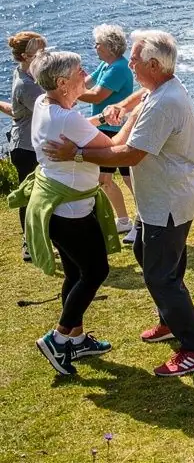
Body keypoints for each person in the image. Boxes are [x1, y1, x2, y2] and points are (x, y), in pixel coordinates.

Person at [44, 30, 194, 378]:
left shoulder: (164, 102)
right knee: (147, 254)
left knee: (160, 276)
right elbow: (140, 102)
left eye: (135, 59)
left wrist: (76, 153)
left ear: (153, 64)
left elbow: (131, 154)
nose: (129, 63)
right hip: (162, 199)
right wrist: (125, 107)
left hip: (167, 201)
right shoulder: (160, 89)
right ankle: (169, 320)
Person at [22, 49, 120, 376]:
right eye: (80, 72)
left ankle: (76, 339)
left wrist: (103, 119)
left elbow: (76, 130)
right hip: (73, 211)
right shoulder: (67, 117)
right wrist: (133, 118)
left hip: (54, 207)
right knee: (95, 272)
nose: (85, 75)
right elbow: (110, 150)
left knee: (76, 274)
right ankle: (58, 337)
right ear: (63, 83)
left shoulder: (44, 105)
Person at [79, 24, 135, 237]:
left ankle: (139, 220)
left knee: (123, 178)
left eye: (98, 44)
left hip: (115, 129)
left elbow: (96, 96)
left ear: (110, 47)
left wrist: (65, 93)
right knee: (107, 179)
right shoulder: (106, 65)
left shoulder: (118, 68)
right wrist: (74, 87)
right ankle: (123, 220)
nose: (95, 47)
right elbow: (87, 85)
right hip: (106, 128)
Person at [0, 30, 46, 260]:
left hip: (28, 143)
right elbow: (50, 106)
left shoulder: (24, 75)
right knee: (29, 195)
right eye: (40, 51)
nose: (44, 54)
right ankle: (29, 243)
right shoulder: (27, 85)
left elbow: (17, 111)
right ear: (27, 56)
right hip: (27, 148)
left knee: (39, 194)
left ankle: (39, 240)